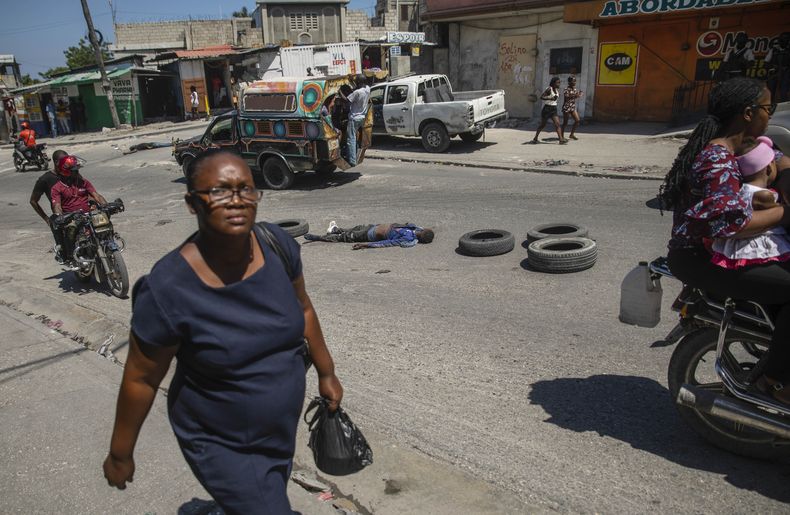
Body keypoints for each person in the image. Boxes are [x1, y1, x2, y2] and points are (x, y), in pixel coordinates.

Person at [102, 149, 343, 514]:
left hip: (278, 429)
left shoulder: (277, 247)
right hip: (219, 439)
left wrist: (327, 372)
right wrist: (121, 453)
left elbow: (304, 309)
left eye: (246, 189)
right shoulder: (168, 289)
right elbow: (141, 378)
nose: (237, 201)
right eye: (219, 191)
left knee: (261, 496)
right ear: (192, 203)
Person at [659, 77, 790, 405]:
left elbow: (771, 171)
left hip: (724, 250)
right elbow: (729, 225)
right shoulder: (716, 158)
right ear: (747, 113)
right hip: (699, 258)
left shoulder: (747, 147)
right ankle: (774, 382)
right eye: (767, 108)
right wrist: (785, 213)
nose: (770, 115)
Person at [710, 136, 790, 268]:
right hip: (758, 247)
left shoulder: (741, 190)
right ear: (769, 168)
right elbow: (781, 212)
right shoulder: (764, 195)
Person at [51, 155, 108, 265]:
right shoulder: (57, 188)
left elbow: (96, 195)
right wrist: (60, 215)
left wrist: (106, 206)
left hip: (88, 215)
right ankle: (71, 256)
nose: (77, 172)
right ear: (65, 171)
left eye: (77, 170)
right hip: (72, 218)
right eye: (74, 170)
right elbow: (57, 205)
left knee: (105, 224)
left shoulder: (84, 182)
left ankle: (109, 243)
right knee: (71, 229)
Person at [30, 149, 68, 261]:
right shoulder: (45, 179)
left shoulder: (70, 173)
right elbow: (33, 201)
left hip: (78, 211)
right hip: (62, 216)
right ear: (56, 162)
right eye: (63, 161)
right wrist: (46, 219)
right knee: (64, 249)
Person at [304, 222, 435, 249]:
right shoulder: (414, 228)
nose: (421, 230)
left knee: (346, 237)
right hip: (373, 226)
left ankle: (319, 238)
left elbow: (386, 243)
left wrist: (366, 245)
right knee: (355, 227)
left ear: (421, 236)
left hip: (370, 235)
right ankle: (335, 229)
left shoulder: (408, 239)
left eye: (422, 232)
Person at [529, 77, 566, 145]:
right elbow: (542, 97)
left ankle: (561, 139)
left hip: (553, 109)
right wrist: (551, 98)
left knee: (557, 124)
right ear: (553, 83)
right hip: (547, 109)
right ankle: (535, 138)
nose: (559, 84)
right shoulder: (549, 89)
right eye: (558, 82)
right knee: (542, 125)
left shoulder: (556, 90)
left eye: (559, 82)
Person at [345, 76, 370, 166]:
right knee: (355, 137)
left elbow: (347, 100)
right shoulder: (367, 89)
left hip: (354, 118)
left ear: (359, 82)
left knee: (350, 138)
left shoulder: (356, 92)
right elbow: (360, 86)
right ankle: (354, 155)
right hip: (362, 117)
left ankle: (352, 160)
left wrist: (340, 93)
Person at [766, 32, 790, 103]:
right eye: (782, 38)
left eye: (786, 39)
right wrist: (772, 67)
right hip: (774, 73)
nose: (784, 40)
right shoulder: (773, 50)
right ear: (779, 40)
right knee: (770, 91)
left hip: (786, 73)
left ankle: (783, 111)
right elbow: (766, 62)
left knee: (783, 92)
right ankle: (769, 107)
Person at [561, 76, 582, 141]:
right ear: (569, 82)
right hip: (566, 107)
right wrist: (577, 95)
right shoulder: (566, 89)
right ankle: (561, 136)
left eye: (575, 81)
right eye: (573, 81)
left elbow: (576, 95)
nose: (575, 82)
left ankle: (571, 134)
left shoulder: (574, 89)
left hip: (572, 107)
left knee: (577, 120)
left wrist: (579, 94)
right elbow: (567, 98)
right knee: (565, 123)